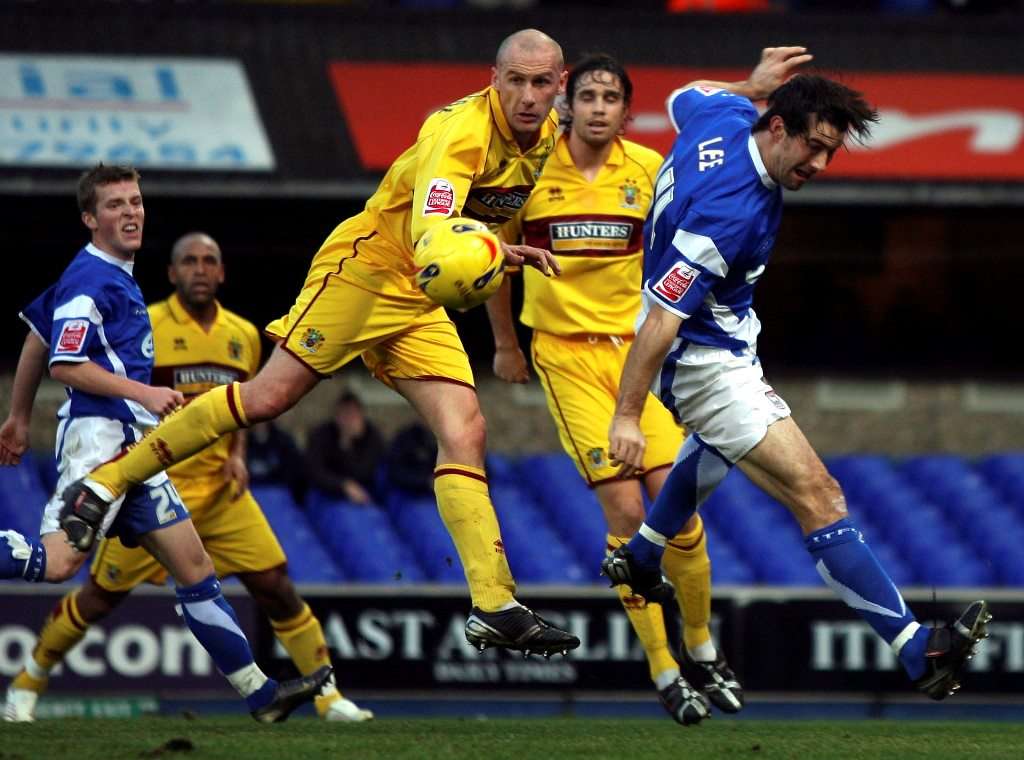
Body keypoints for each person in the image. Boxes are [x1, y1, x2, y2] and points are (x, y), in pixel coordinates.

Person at [54, 29, 581, 658]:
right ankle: (108, 481)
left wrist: (501, 261)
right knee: (270, 396)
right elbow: (437, 232)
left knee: (466, 428)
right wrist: (479, 255)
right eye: (514, 80)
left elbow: (485, 221)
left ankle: (494, 604)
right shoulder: (459, 133)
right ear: (493, 78)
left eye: (540, 82)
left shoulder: (547, 135)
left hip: (416, 298)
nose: (527, 94)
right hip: (368, 270)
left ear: (560, 82)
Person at [600, 47, 990, 707]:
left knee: (715, 453)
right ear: (776, 128)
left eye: (831, 152)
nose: (818, 164)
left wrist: (746, 84)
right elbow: (662, 321)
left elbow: (682, 94)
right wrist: (626, 416)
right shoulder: (729, 211)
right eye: (811, 146)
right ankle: (915, 647)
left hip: (725, 341)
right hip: (703, 362)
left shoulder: (723, 116)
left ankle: (641, 554)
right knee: (820, 494)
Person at [0, 166, 329, 723]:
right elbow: (67, 363)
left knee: (196, 568)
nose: (131, 212)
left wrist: (15, 417)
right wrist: (144, 394)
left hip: (136, 451)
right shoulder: (93, 280)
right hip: (100, 444)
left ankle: (262, 695)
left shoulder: (104, 273)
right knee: (57, 567)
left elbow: (37, 333)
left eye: (136, 201)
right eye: (114, 205)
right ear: (89, 219)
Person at [487, 53, 741, 726]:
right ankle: (661, 666)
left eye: (611, 98)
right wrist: (507, 344)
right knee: (626, 514)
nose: (599, 107)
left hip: (639, 358)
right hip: (566, 358)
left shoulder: (652, 170)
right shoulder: (530, 170)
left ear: (629, 112)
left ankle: (700, 644)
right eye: (589, 95)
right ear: (569, 104)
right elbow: (493, 260)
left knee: (679, 509)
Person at [305, 390, 385, 504]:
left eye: (353, 414)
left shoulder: (372, 436)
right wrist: (342, 485)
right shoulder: (321, 435)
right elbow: (314, 471)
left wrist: (350, 444)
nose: (349, 420)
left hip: (364, 494)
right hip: (328, 495)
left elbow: (367, 472)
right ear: (337, 416)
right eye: (345, 414)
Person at [247, 420, 308, 506]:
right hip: (250, 494)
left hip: (280, 494)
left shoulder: (284, 441)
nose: (260, 423)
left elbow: (296, 471)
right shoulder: (241, 445)